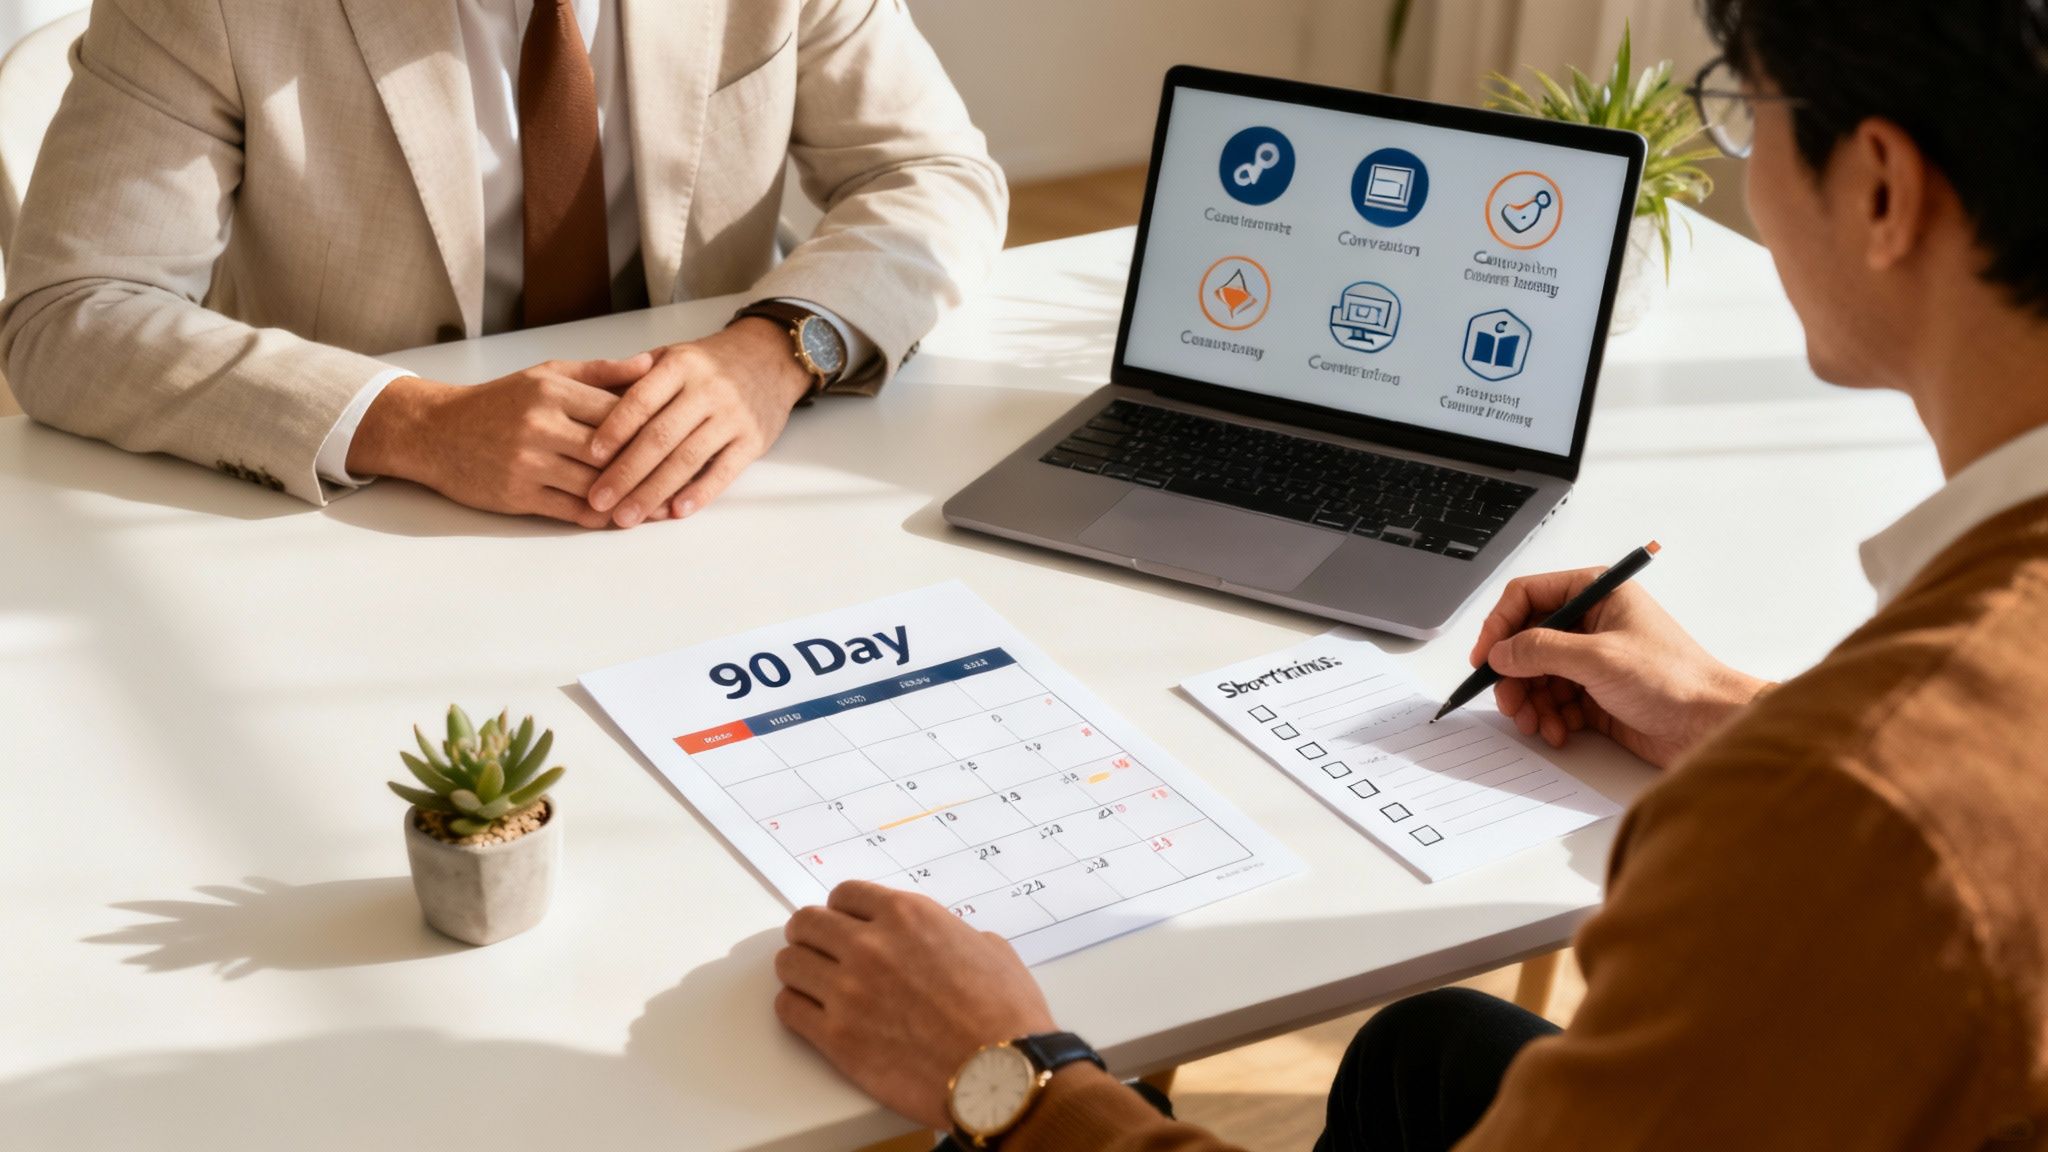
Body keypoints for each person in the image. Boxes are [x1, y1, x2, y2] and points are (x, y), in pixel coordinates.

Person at [772, 0, 2048, 1148]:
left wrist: (1011, 1075)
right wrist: (1732, 716)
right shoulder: (1891, 761)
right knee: (1427, 1048)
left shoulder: (1840, 820)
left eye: (1743, 110)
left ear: (1880, 187)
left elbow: (1888, 827)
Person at [0, 0, 1004, 528]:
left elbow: (932, 173)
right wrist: (411, 423)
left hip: (719, 503)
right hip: (363, 521)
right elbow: (71, 311)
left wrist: (781, 347)